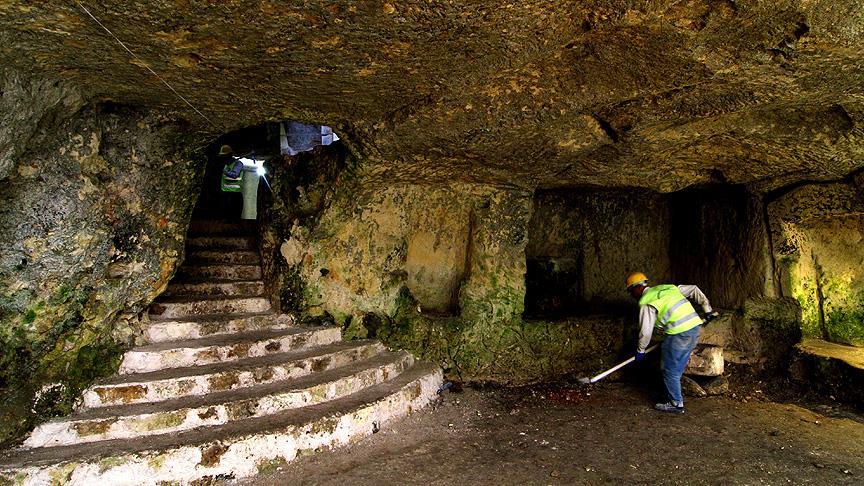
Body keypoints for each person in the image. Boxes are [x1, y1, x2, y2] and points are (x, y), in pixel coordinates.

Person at [626, 272, 719, 414]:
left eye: (630, 292)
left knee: (669, 369)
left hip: (679, 334)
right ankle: (673, 392)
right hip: (694, 328)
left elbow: (645, 332)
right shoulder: (666, 288)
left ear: (636, 288)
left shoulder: (646, 302)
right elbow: (694, 289)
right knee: (676, 367)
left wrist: (640, 350)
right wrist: (707, 309)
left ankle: (675, 403)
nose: (631, 296)